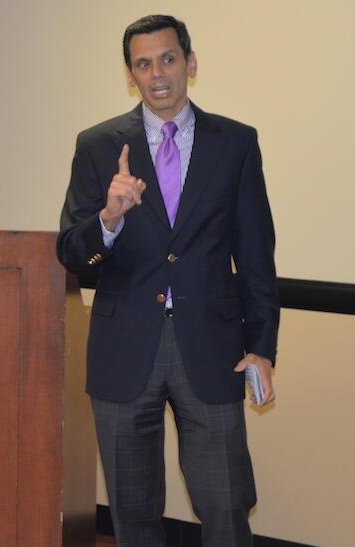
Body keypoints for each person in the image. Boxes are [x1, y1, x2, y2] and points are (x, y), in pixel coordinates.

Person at [57, 14, 279, 547]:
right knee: (132, 516)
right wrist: (108, 219)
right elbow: (70, 252)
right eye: (142, 63)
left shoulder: (236, 143)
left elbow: (256, 255)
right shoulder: (96, 145)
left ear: (190, 63)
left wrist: (263, 348)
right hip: (123, 350)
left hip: (213, 348)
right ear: (130, 74)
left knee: (225, 509)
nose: (157, 73)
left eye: (168, 59)